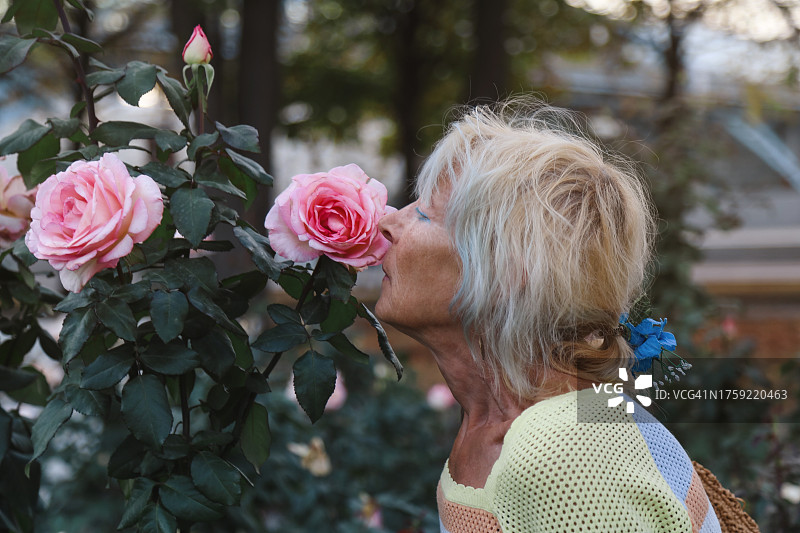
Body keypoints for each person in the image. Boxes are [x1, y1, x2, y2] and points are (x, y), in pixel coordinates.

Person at [374, 100, 722, 533]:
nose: (388, 222)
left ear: (507, 271)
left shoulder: (561, 451)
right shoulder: (506, 423)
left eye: (423, 214)